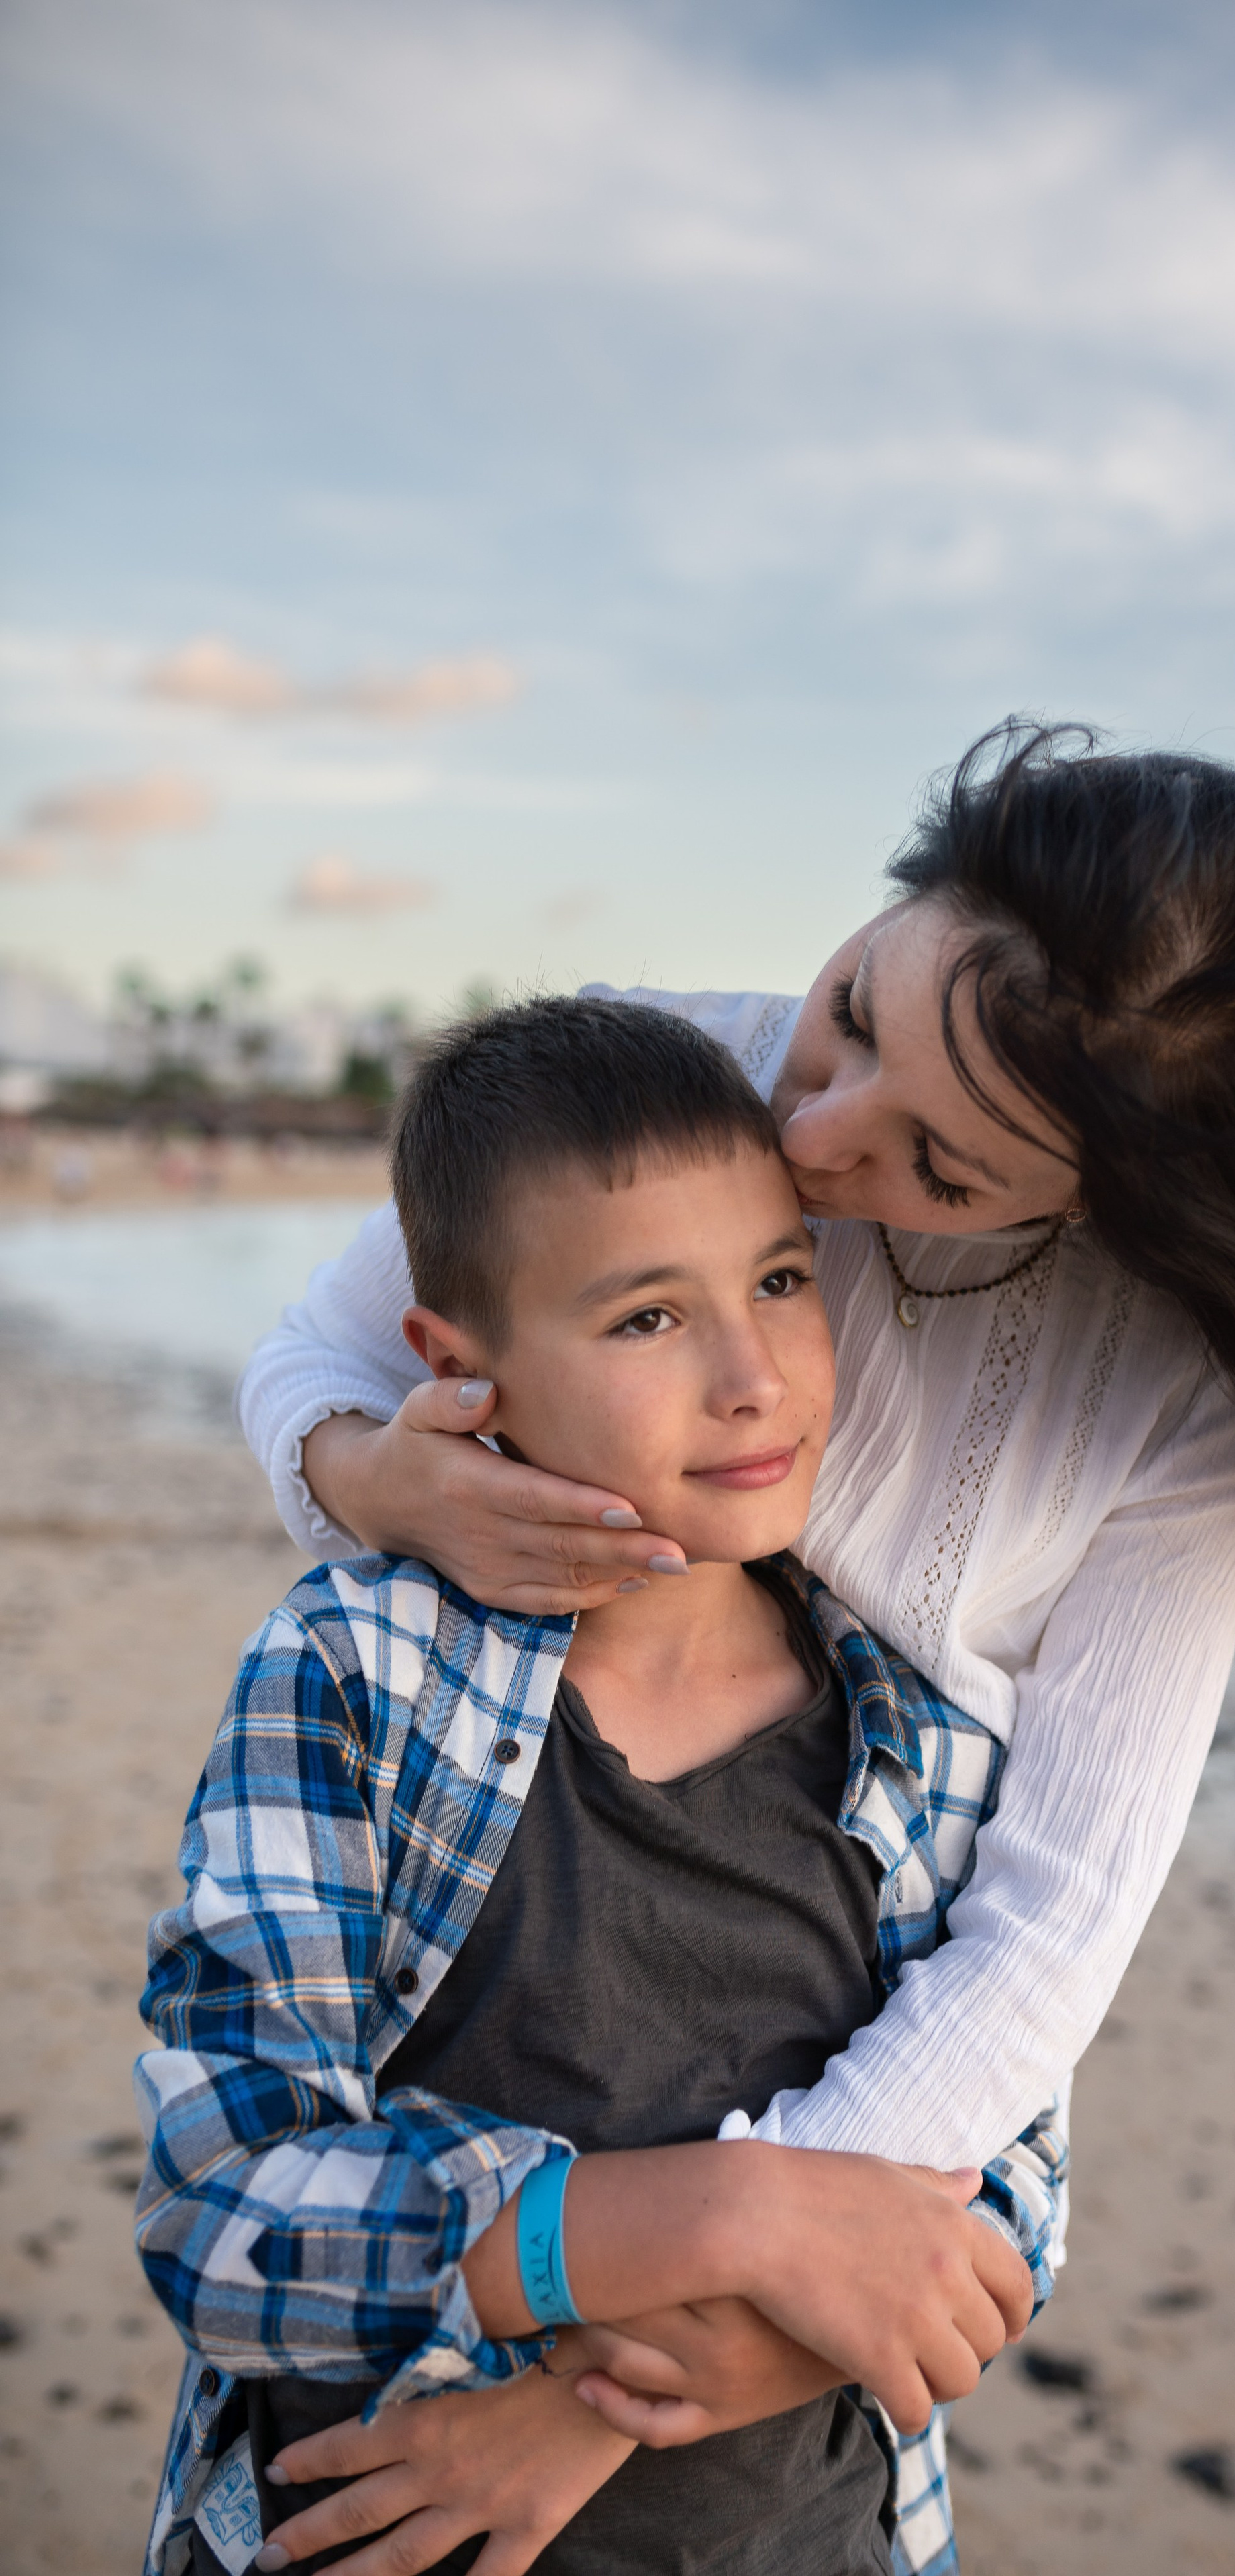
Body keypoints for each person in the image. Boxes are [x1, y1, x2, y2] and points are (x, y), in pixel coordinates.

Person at [237, 726, 1235, 2535]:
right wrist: (383, 1484)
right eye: (855, 1012)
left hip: (837, 2131)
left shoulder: (1174, 1405)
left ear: (1104, 1204)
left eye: (943, 1164)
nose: (816, 1135)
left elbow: (1049, 1925)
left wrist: (634, 2376)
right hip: (509, 1948)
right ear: (907, 892)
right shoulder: (674, 1077)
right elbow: (321, 1359)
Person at [138, 997, 1053, 2576]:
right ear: (456, 1365)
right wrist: (728, 2213)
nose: (752, 1375)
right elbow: (227, 2211)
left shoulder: (926, 1744)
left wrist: (606, 2387)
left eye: (779, 1279)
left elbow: (999, 2220)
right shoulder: (356, 1670)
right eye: (646, 1317)